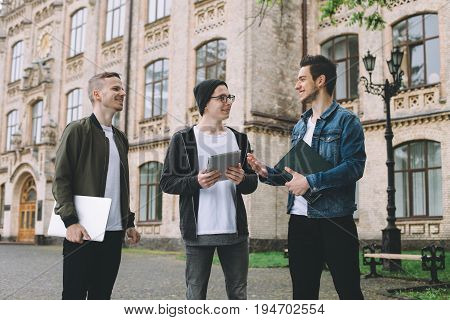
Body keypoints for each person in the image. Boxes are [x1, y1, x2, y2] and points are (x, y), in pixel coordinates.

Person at [247, 55, 366, 300]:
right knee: (303, 295)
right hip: (300, 223)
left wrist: (310, 182)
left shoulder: (347, 121)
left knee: (349, 293)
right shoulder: (300, 126)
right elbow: (293, 175)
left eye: (302, 79)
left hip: (336, 221)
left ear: (320, 80)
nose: (296, 85)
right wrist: (265, 172)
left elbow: (355, 167)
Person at [160, 79, 258, 300]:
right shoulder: (184, 139)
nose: (228, 102)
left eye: (229, 97)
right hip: (198, 233)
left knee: (238, 293)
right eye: (221, 98)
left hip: (234, 232)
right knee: (195, 295)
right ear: (205, 104)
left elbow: (252, 184)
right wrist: (196, 182)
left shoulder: (239, 139)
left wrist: (242, 179)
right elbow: (167, 182)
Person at [53, 72, 140, 300]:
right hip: (83, 232)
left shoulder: (120, 138)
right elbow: (61, 179)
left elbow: (120, 185)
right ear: (97, 94)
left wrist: (128, 222)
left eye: (122, 88)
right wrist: (70, 222)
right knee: (74, 297)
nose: (123, 93)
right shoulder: (77, 130)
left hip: (113, 235)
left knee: (102, 298)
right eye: (116, 89)